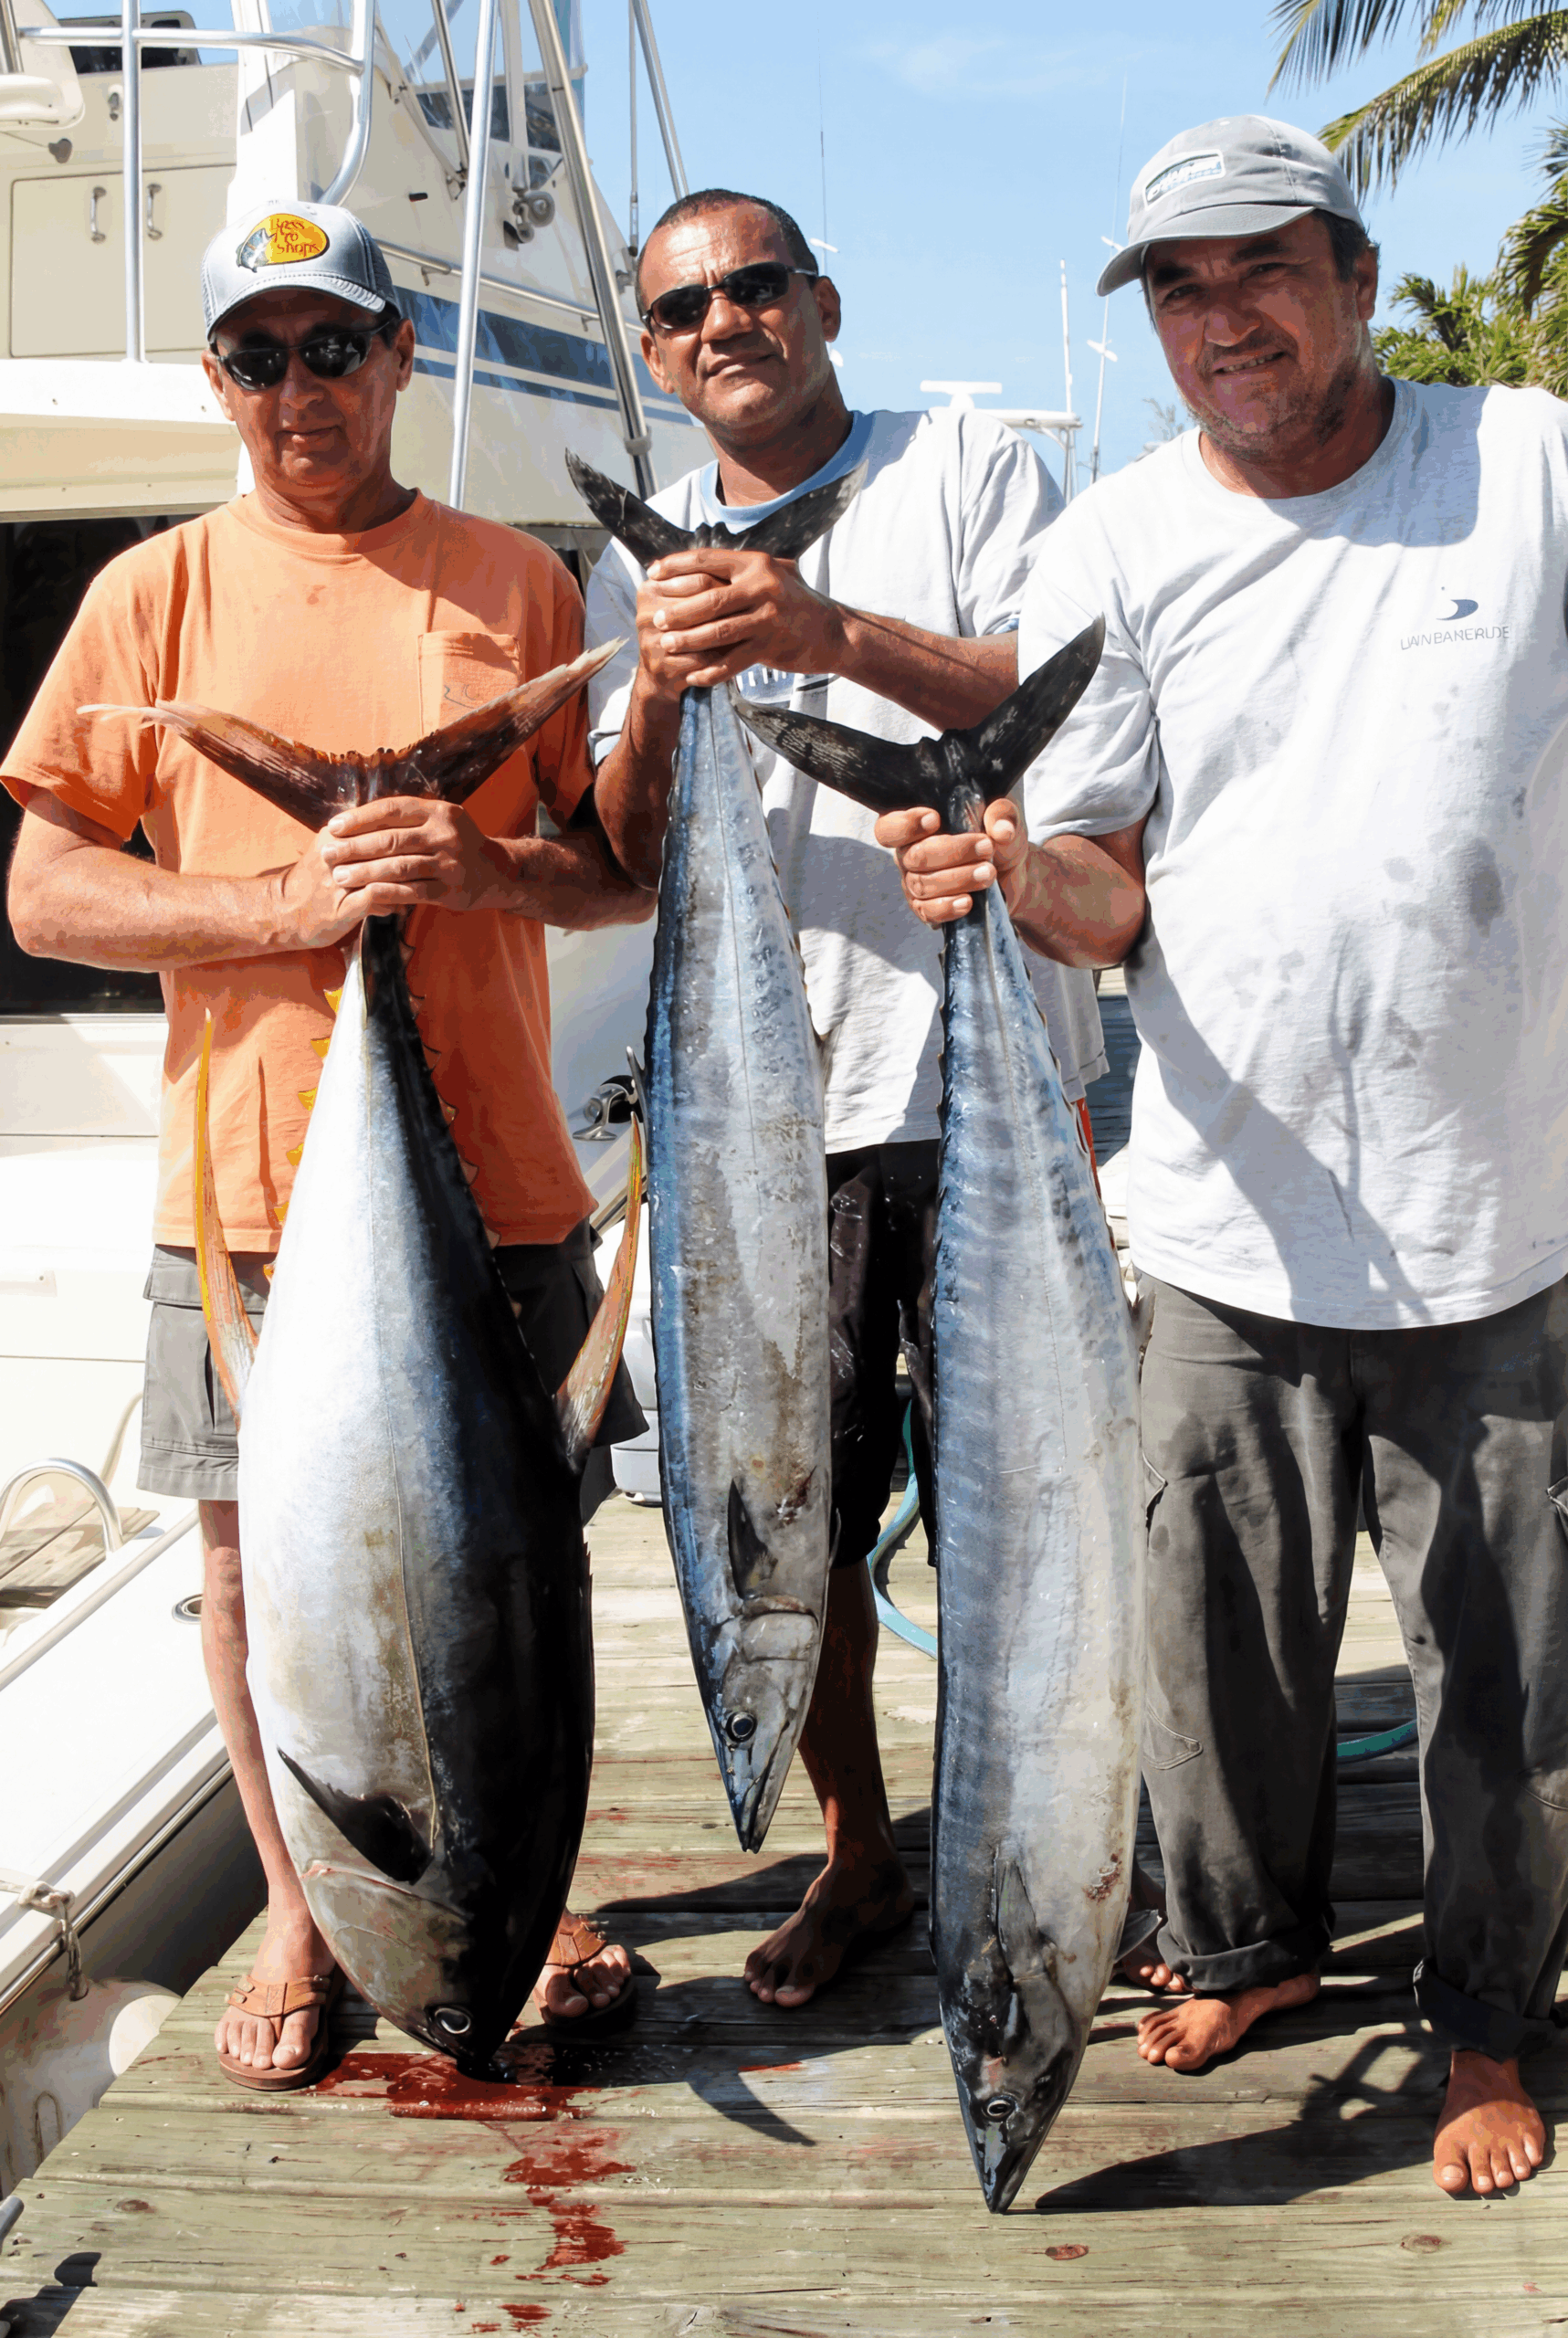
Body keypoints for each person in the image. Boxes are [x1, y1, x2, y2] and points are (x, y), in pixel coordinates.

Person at [879, 113, 1568, 2200]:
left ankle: (1485, 2016)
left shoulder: (1531, 463)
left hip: (1501, 1214)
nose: (1221, 321)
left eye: (1260, 267)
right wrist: (1015, 873)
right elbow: (1110, 886)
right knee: (1213, 1659)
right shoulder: (1117, 538)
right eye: (1176, 289)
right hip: (1216, 1220)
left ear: (1357, 274)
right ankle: (1254, 1944)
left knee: (1509, 1679)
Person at [3, 199, 652, 2086]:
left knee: (519, 1575)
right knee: (249, 1569)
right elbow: (44, 890)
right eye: (260, 354)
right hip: (244, 1196)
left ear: (398, 357)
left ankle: (521, 1885)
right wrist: (285, 905)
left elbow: (612, 873)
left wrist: (475, 865)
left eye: (335, 345)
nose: (301, 386)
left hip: (495, 1184)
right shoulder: (152, 598)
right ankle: (303, 1906)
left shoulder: (514, 586)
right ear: (221, 381)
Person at [585, 185, 1104, 2005]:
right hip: (759, 1133)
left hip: (976, 1092)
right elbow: (630, 848)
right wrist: (665, 689)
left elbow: (1048, 694)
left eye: (755, 285)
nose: (723, 321)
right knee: (778, 1507)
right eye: (682, 308)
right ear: (656, 351)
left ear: (820, 299)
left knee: (1030, 1505)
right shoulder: (642, 566)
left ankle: (1053, 1846)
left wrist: (826, 631)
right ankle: (864, 1852)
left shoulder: (965, 467)